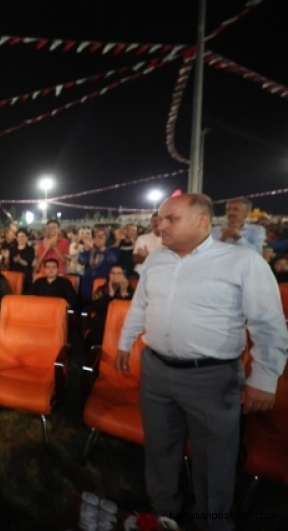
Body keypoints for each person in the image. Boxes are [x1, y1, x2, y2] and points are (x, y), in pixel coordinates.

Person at [117, 194, 288, 531]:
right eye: (160, 218)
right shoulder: (156, 260)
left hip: (212, 378)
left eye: (171, 219)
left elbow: (268, 324)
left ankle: (212, 521)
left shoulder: (242, 262)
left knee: (214, 459)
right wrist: (125, 341)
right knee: (160, 447)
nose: (161, 225)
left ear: (202, 221)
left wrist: (264, 377)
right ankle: (164, 512)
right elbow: (140, 305)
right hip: (156, 371)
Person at [84, 264, 134, 348]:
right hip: (102, 324)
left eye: (119, 273)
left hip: (123, 325)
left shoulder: (132, 292)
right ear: (109, 275)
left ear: (125, 276)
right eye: (113, 273)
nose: (115, 276)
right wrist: (110, 295)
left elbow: (132, 311)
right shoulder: (101, 290)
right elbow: (93, 308)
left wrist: (124, 293)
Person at [77, 228, 119, 304]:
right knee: (85, 305)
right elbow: (81, 261)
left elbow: (113, 260)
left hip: (102, 283)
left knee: (99, 304)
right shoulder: (90, 249)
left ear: (108, 238)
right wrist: (86, 250)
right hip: (88, 282)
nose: (99, 238)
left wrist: (102, 248)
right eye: (97, 235)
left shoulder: (112, 249)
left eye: (103, 235)